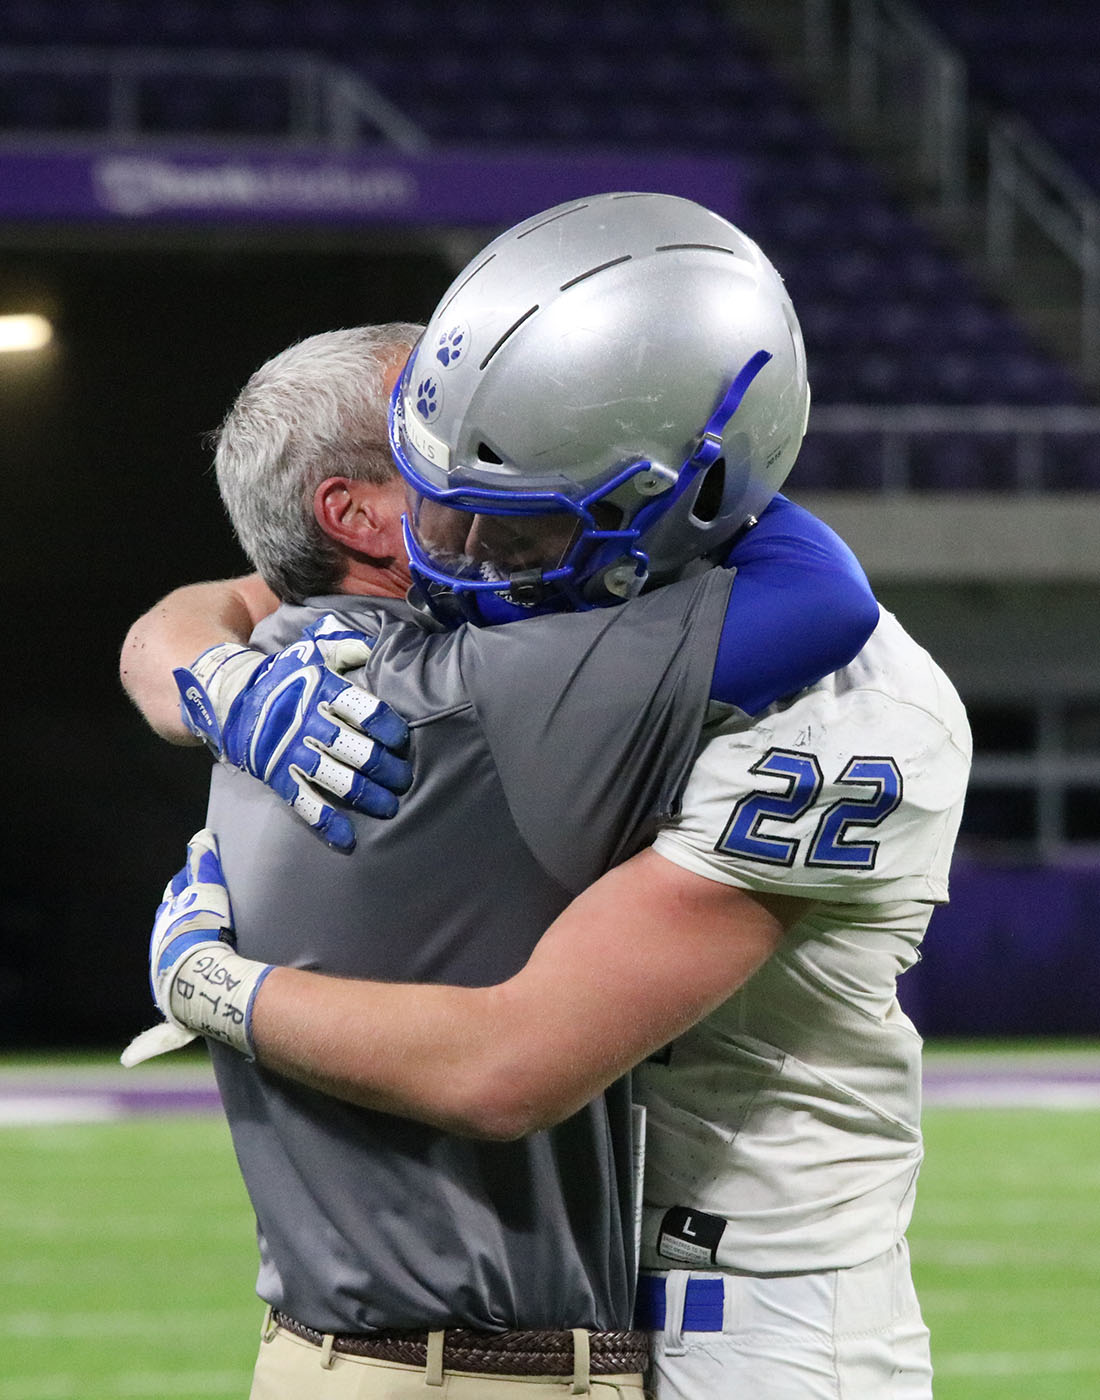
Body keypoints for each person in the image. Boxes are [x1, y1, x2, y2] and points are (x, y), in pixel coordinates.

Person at [120, 196, 889, 1400]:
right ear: (356, 514)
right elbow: (821, 595)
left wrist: (190, 660)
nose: (496, 438)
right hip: (484, 1373)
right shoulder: (481, 692)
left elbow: (225, 599)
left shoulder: (269, 679)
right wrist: (677, 424)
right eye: (438, 434)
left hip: (314, 1358)